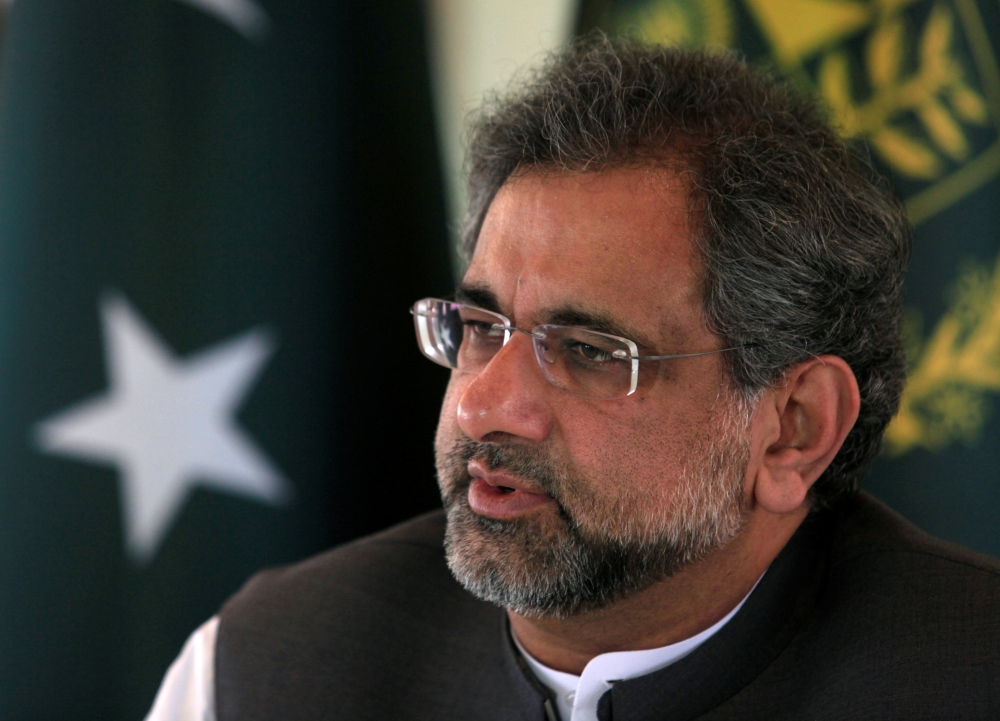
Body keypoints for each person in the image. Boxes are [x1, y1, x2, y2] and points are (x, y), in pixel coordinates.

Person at [145, 37, 1000, 721]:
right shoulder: (262, 669)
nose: (483, 404)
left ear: (793, 428)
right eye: (479, 329)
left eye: (588, 349)